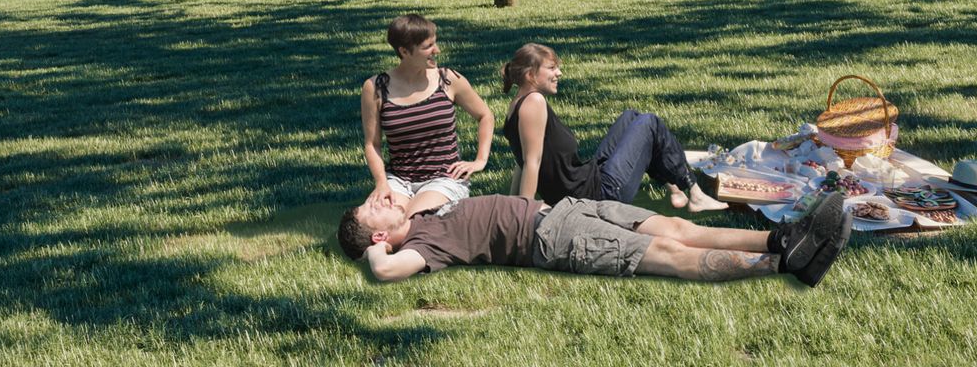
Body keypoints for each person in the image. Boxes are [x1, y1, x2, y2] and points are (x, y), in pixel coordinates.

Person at [338, 188, 850, 285]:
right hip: (554, 238)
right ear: (381, 235)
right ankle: (789, 265)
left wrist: (389, 209)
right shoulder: (421, 248)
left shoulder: (419, 212)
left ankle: (783, 239)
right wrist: (374, 252)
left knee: (678, 226)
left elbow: (404, 187)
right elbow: (383, 270)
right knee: (669, 254)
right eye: (374, 207)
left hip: (567, 209)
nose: (381, 196)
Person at [501, 44, 725, 213]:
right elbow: (531, 162)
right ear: (530, 75)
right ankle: (693, 191)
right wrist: (524, 215)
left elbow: (520, 162)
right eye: (551, 68)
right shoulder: (534, 102)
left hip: (590, 181)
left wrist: (512, 205)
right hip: (598, 197)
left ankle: (675, 188)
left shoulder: (517, 105)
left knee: (631, 117)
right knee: (649, 122)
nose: (559, 73)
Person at [360, 14, 493, 216]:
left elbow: (485, 116)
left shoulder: (448, 79)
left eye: (435, 43)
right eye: (427, 46)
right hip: (399, 181)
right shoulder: (375, 87)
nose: (436, 50)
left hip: (443, 179)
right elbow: (372, 144)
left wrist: (480, 160)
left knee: (415, 221)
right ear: (404, 51)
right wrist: (381, 184)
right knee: (376, 223)